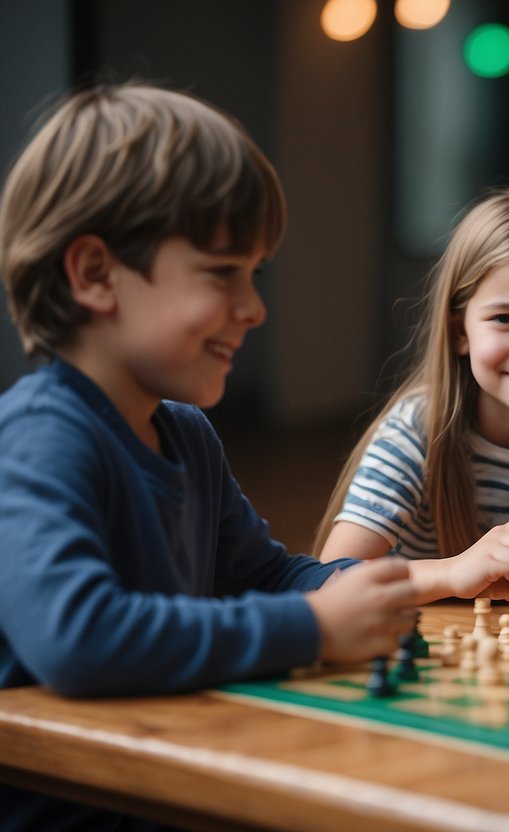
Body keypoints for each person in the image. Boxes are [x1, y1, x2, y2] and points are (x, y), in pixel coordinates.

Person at [0, 83, 418, 829]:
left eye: (254, 274)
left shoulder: (187, 433)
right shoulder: (39, 437)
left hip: (166, 793)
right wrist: (315, 630)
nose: (254, 307)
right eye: (223, 272)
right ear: (95, 273)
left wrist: (364, 586)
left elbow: (265, 574)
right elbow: (77, 638)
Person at [315, 186, 509, 608]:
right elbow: (330, 578)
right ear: (460, 331)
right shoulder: (416, 432)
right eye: (505, 318)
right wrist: (454, 571)